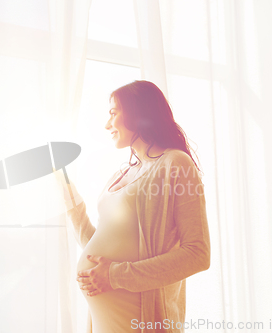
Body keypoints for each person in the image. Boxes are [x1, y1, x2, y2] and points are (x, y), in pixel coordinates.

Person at [57, 80, 211, 333]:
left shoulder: (176, 164)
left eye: (113, 113)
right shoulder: (123, 173)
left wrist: (115, 276)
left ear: (138, 112)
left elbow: (198, 254)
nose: (107, 125)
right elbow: (97, 248)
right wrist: (64, 189)